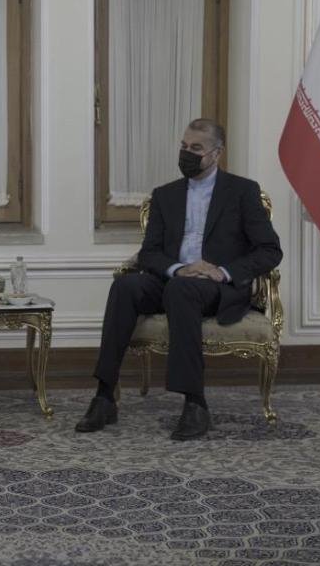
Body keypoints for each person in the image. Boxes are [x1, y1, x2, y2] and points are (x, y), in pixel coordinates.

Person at [76, 119, 282, 440]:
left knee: (182, 290)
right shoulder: (165, 195)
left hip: (216, 286)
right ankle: (104, 396)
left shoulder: (242, 191)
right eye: (184, 146)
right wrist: (176, 268)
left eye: (196, 148)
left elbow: (270, 250)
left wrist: (222, 271)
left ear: (216, 153)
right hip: (174, 278)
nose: (187, 153)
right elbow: (149, 253)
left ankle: (195, 403)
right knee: (125, 286)